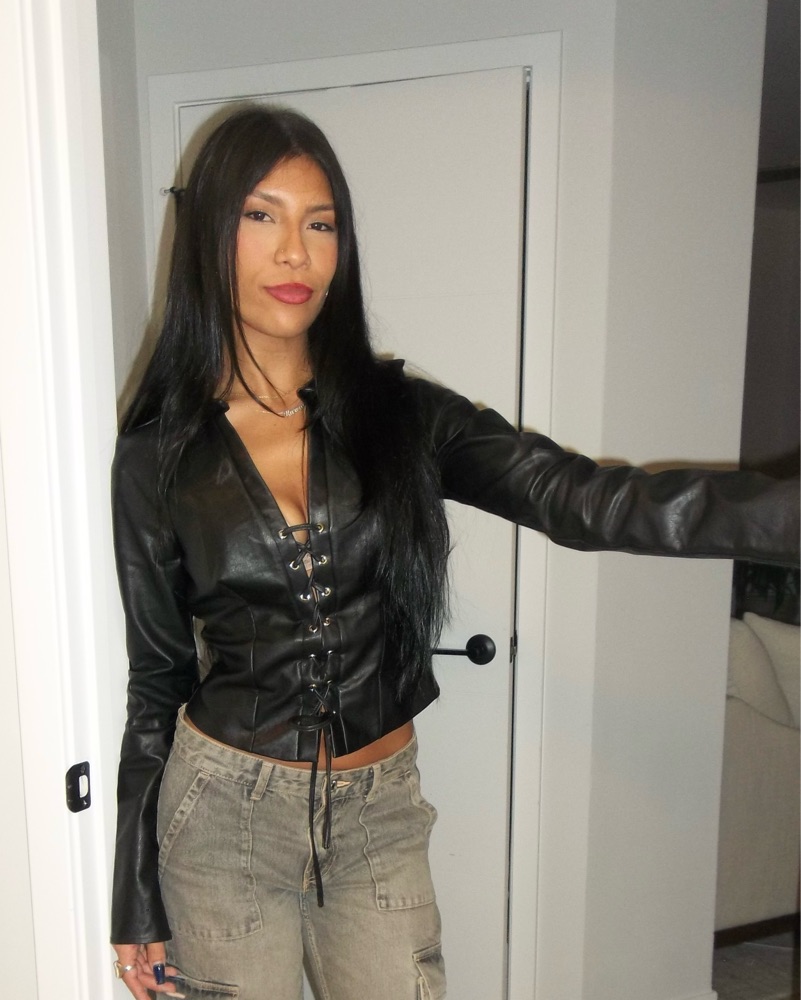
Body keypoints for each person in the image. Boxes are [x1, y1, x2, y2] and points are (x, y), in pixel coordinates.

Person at [110, 105, 798, 1000]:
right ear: (209, 232)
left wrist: (784, 518)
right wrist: (135, 897)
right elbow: (156, 680)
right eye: (259, 215)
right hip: (221, 820)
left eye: (320, 224)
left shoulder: (403, 415)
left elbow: (583, 498)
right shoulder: (158, 455)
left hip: (376, 814)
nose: (294, 253)